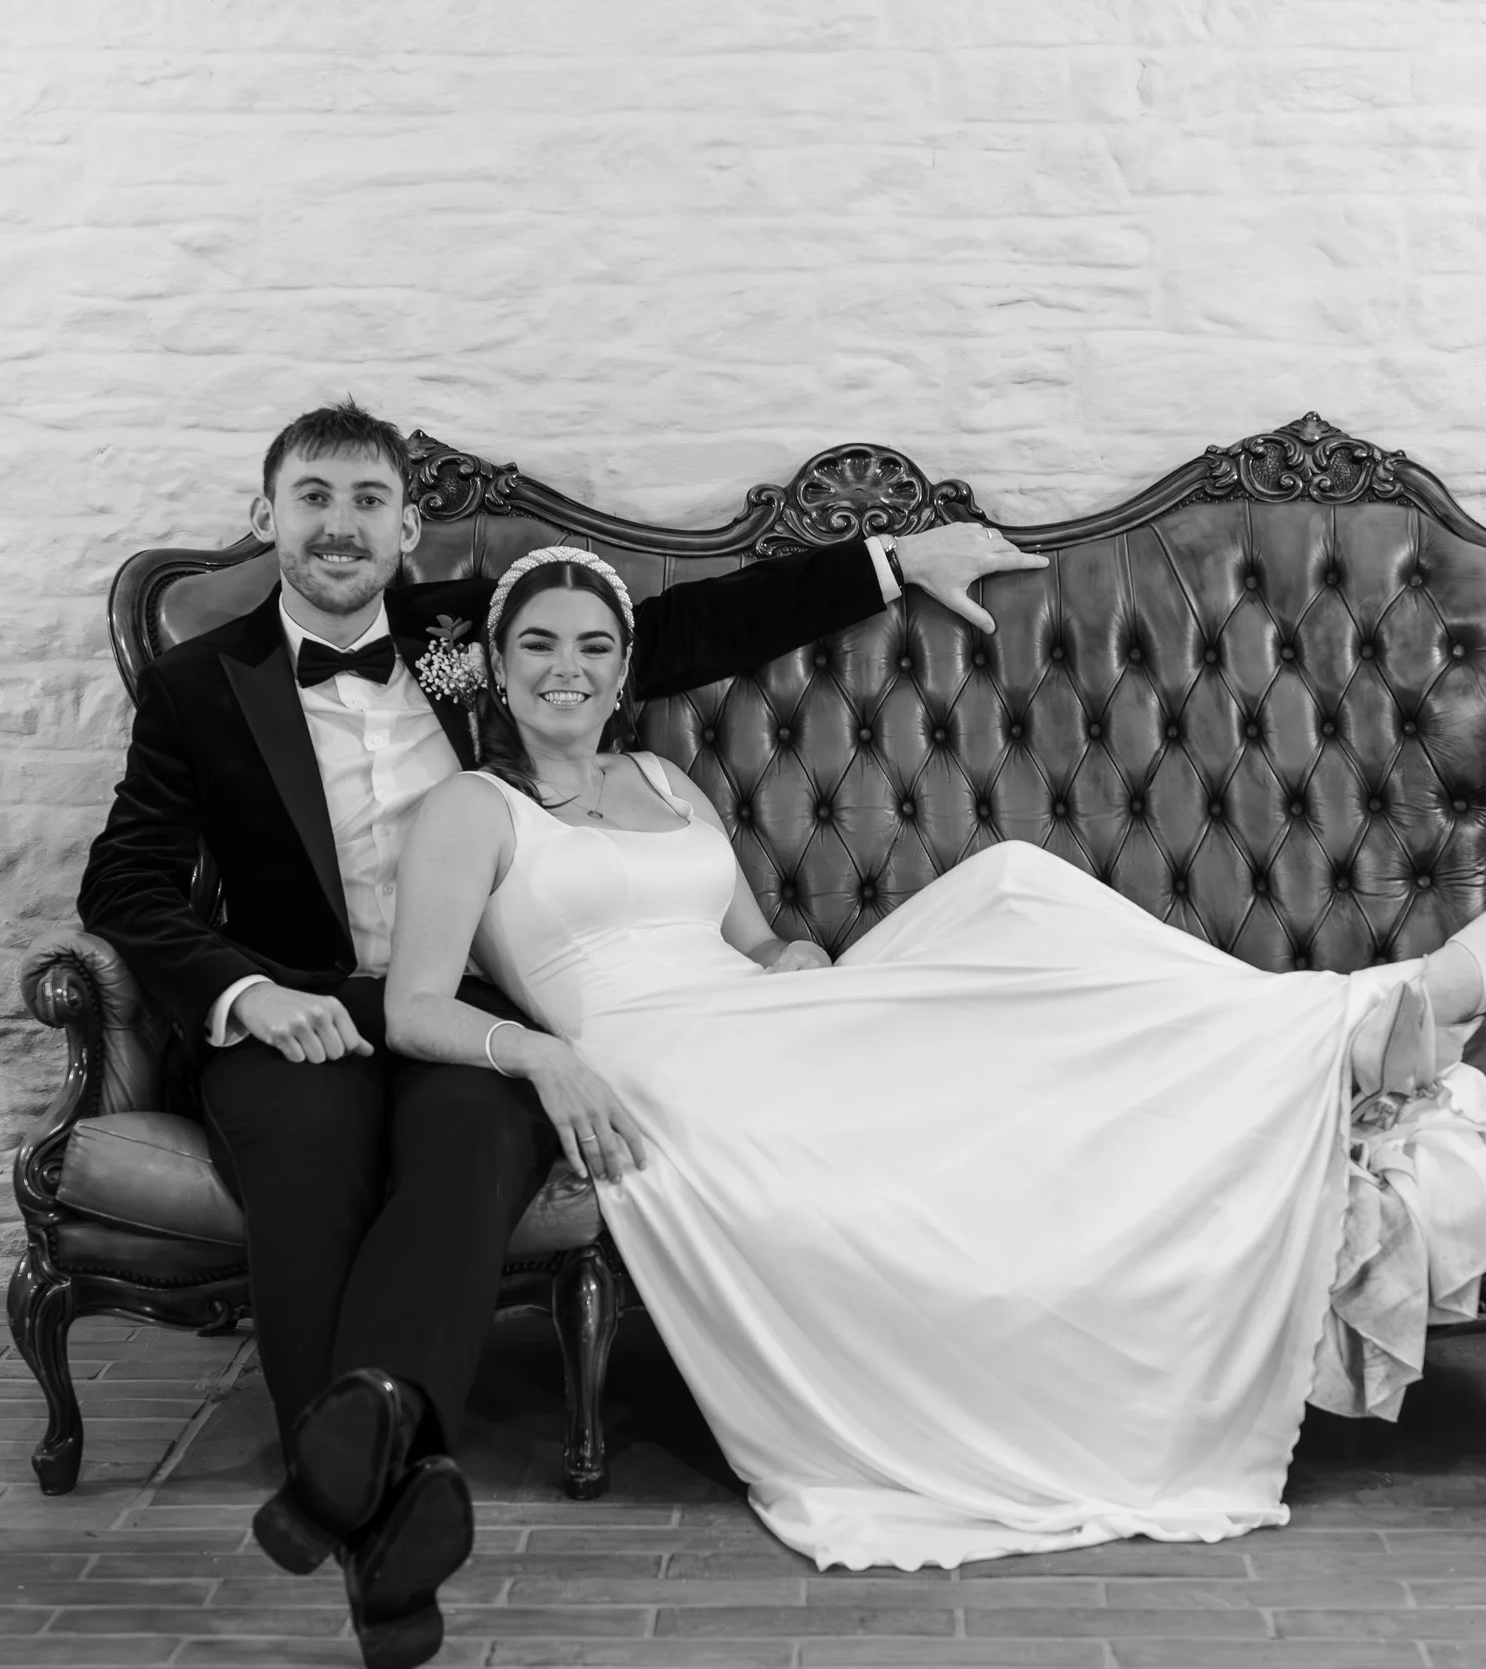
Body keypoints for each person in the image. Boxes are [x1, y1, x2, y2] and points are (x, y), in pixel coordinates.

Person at [75, 402, 1045, 1667]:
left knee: (477, 1148)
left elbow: (669, 633)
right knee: (309, 1171)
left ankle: (338, 1484)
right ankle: (381, 1523)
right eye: (312, 498)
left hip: (468, 1012)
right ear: (268, 519)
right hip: (294, 1008)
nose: (339, 525)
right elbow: (127, 880)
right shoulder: (203, 684)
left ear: (407, 527)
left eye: (368, 500)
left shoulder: (454, 643)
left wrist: (889, 562)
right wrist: (244, 996)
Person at [387, 549, 1486, 1576]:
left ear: (625, 665)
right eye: (537, 644)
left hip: (766, 1019)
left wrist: (793, 960)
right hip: (657, 1061)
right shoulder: (471, 809)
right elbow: (415, 1005)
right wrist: (539, 1053)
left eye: (593, 645)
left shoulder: (664, 782)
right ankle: (1359, 1020)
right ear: (494, 661)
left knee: (1011, 886)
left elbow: (753, 940)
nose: (566, 669)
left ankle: (1332, 1024)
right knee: (1002, 951)